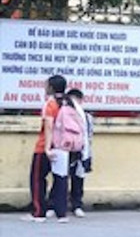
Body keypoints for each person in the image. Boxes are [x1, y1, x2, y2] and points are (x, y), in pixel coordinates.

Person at [25, 75, 66, 223]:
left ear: (51, 87)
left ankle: (39, 212)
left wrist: (47, 148)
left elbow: (48, 126)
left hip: (44, 147)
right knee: (60, 179)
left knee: (37, 179)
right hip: (63, 147)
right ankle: (60, 212)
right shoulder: (68, 104)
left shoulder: (50, 104)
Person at [65, 87, 95, 218]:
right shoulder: (63, 114)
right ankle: (55, 205)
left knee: (78, 179)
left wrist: (86, 153)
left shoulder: (87, 117)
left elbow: (89, 135)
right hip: (66, 149)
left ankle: (77, 205)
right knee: (61, 179)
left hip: (81, 150)